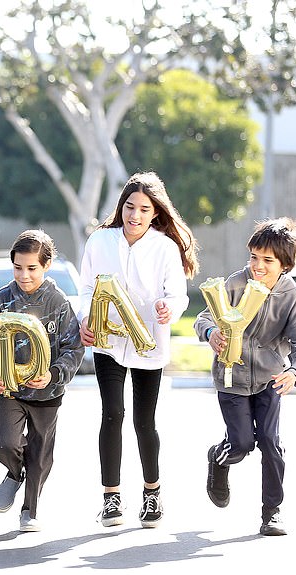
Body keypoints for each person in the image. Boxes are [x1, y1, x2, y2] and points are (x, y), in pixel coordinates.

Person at [78, 171, 198, 528]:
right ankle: (111, 497)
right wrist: (86, 318)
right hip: (107, 341)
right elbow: (86, 288)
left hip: (148, 342)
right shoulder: (100, 241)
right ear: (121, 207)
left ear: (155, 213)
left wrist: (168, 309)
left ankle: (152, 493)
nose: (135, 215)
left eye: (144, 209)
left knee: (145, 421)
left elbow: (178, 295)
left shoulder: (165, 247)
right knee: (112, 414)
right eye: (130, 206)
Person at [194, 218, 296, 536]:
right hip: (231, 376)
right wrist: (210, 333)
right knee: (241, 443)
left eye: (267, 260)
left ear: (285, 265)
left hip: (270, 379)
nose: (257, 266)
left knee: (271, 444)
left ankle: (271, 513)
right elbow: (204, 317)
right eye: (253, 257)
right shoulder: (237, 283)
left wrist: (294, 370)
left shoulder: (291, 296)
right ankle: (218, 460)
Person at [0, 230, 84, 531]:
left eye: (32, 268)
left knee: (40, 455)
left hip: (47, 394)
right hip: (11, 392)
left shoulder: (59, 302)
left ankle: (31, 510)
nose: (24, 275)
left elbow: (73, 347)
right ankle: (14, 473)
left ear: (46, 265)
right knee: (8, 440)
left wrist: (54, 374)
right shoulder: (2, 300)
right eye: (18, 267)